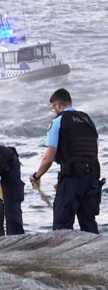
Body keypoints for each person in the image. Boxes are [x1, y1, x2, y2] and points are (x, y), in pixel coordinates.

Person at [30, 88, 102, 234]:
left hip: (72, 180)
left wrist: (37, 176)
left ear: (58, 105)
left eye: (53, 108)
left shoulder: (59, 121)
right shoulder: (88, 120)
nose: (54, 111)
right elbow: (93, 152)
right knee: (89, 224)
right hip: (92, 179)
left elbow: (48, 158)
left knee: (61, 227)